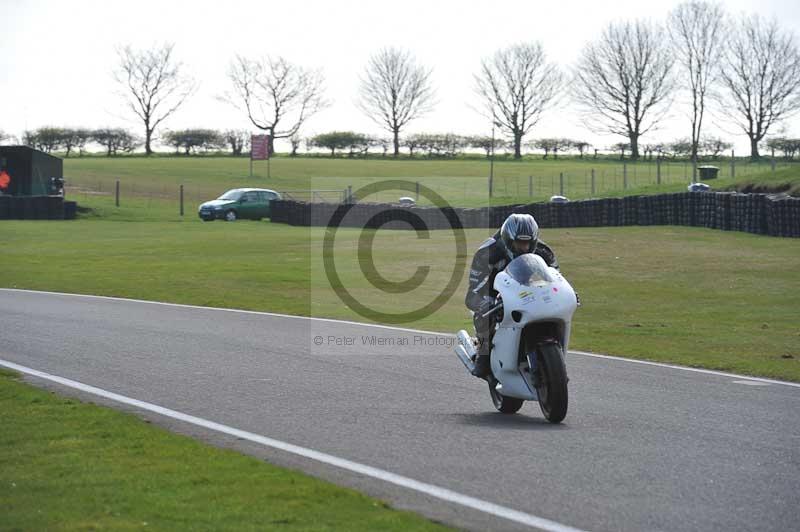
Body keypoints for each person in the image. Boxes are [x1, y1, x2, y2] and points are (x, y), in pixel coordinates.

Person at [464, 213, 558, 378]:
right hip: (493, 293)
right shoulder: (487, 252)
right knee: (485, 315)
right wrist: (486, 302)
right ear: (508, 239)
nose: (524, 248)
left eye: (527, 243)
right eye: (519, 243)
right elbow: (472, 293)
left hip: (527, 291)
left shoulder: (544, 252)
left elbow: (557, 279)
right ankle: (483, 353)